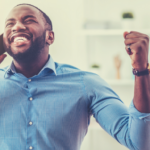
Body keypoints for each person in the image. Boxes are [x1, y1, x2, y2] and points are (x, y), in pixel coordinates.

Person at [0, 3, 150, 150]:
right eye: (9, 24)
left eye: (29, 20)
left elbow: (138, 143)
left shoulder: (86, 84)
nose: (17, 27)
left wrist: (141, 70)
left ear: (50, 37)